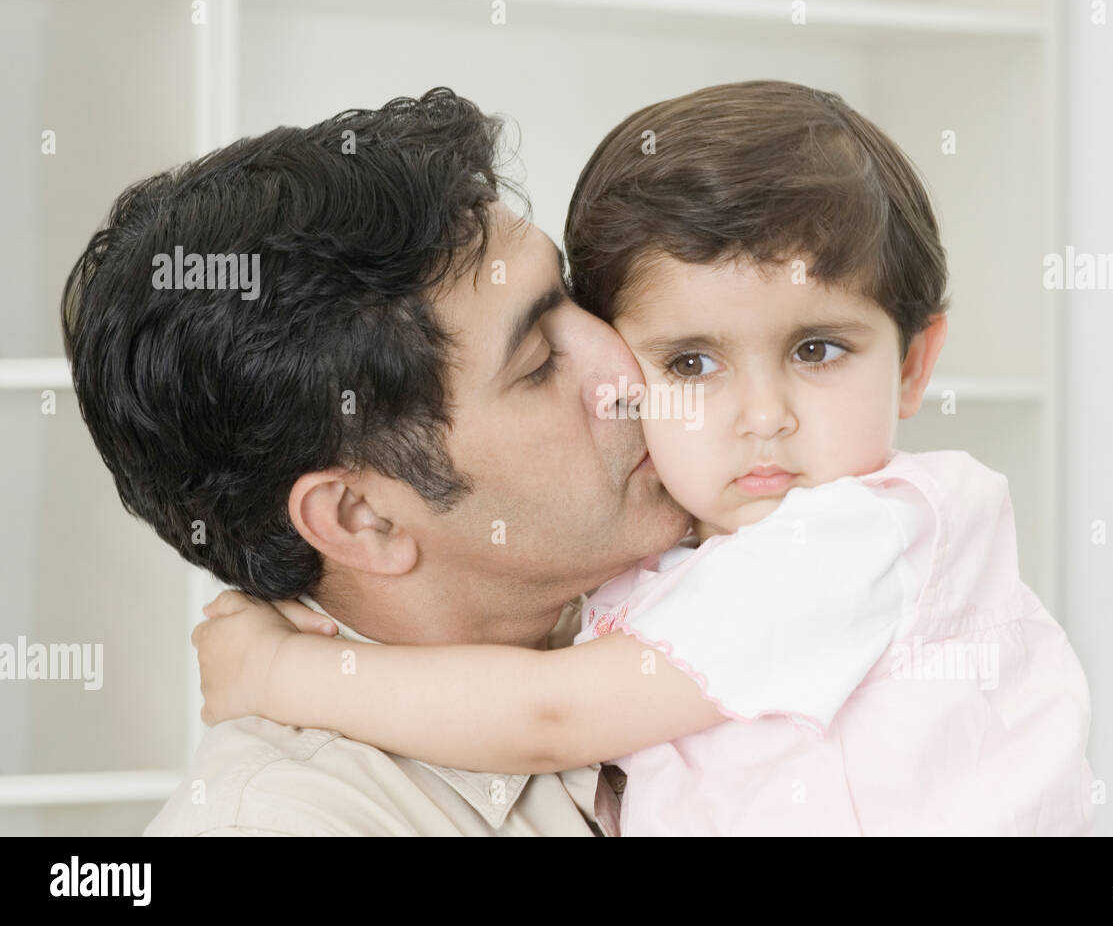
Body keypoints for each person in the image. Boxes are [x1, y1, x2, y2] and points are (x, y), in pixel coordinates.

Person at [194, 81, 1095, 836]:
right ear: (362, 516)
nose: (762, 416)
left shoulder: (856, 537)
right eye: (689, 361)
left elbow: (551, 713)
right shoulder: (293, 814)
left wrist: (284, 673)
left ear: (913, 363)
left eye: (817, 350)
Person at [62, 88, 689, 835]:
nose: (627, 373)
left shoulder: (708, 555)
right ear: (363, 518)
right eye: (538, 362)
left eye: (569, 299)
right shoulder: (285, 822)